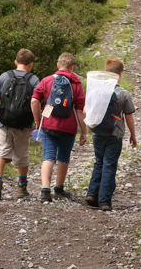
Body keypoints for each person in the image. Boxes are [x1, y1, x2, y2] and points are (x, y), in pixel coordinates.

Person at [31, 52, 87, 202]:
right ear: (73, 67)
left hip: (48, 125)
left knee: (48, 156)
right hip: (69, 127)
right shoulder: (76, 83)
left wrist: (37, 121)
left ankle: (45, 190)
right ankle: (59, 188)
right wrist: (84, 132)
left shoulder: (47, 80)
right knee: (63, 157)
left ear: (58, 65)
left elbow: (34, 101)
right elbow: (80, 110)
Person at [85, 58, 138, 211]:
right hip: (115, 134)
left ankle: (92, 194)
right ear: (120, 74)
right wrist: (133, 135)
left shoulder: (96, 90)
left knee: (99, 162)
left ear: (106, 72)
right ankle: (104, 201)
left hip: (97, 132)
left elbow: (86, 110)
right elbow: (128, 116)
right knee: (109, 165)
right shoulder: (123, 94)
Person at [0, 48, 40, 200]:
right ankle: (21, 188)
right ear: (31, 64)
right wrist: (37, 121)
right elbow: (36, 101)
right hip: (24, 124)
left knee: (1, 152)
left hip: (5, 122)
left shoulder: (5, 76)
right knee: (22, 155)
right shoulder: (33, 79)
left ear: (16, 62)